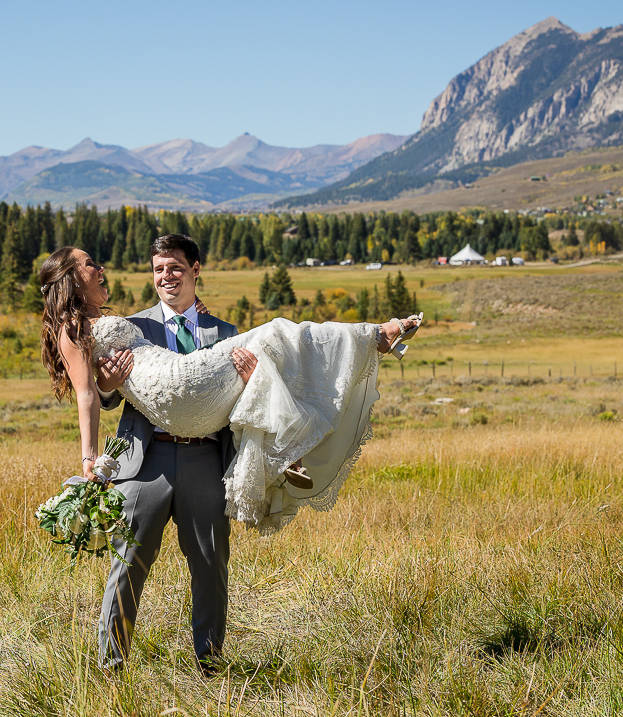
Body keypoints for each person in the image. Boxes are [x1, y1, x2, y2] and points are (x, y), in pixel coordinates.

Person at [36, 235, 417, 673]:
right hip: (145, 461)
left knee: (211, 563)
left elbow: (235, 404)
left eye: (175, 268)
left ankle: (211, 666)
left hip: (204, 457)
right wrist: (104, 395)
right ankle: (110, 666)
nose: (165, 277)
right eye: (158, 270)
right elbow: (98, 395)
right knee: (129, 564)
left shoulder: (226, 333)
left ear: (196, 270)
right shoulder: (132, 323)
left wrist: (256, 379)